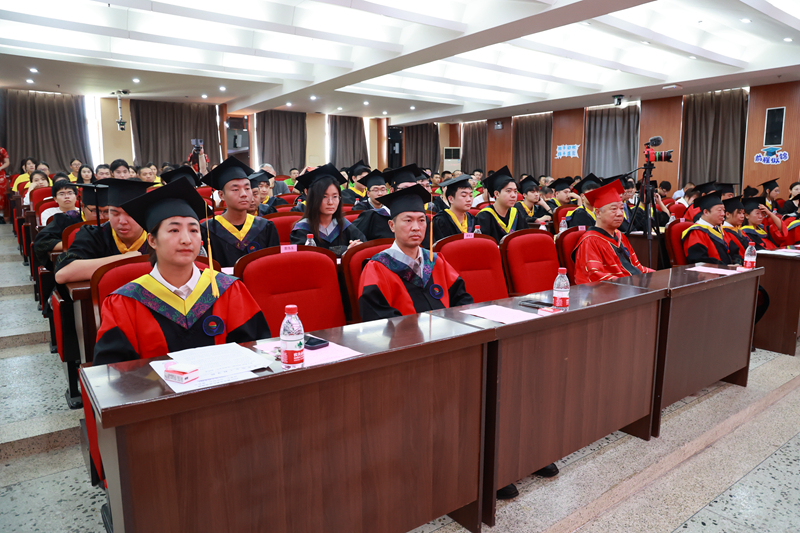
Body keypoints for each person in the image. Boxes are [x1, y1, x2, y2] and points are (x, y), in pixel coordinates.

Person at [93, 178, 270, 365]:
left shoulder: (228, 290)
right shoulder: (125, 303)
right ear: (152, 241)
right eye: (174, 230)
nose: (186, 239)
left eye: (193, 230)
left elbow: (256, 354)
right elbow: (114, 371)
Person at [358, 184, 473, 320]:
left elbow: (462, 300)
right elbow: (376, 317)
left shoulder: (436, 261)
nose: (416, 227)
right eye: (408, 220)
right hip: (404, 333)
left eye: (421, 220)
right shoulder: (377, 267)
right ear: (392, 225)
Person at [54, 179, 152, 284]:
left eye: (131, 214)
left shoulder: (157, 235)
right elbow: (62, 274)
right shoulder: (94, 234)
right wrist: (124, 258)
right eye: (114, 213)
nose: (122, 221)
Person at [200, 157, 280, 268]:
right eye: (235, 189)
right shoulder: (207, 230)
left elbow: (275, 267)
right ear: (221, 195)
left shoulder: (266, 227)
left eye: (247, 188)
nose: (244, 194)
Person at [572, 180, 653, 283]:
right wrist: (630, 284)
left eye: (621, 208)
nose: (620, 213)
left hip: (630, 286)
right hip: (611, 290)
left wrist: (657, 276)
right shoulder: (590, 241)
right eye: (614, 209)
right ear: (598, 213)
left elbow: (636, 267)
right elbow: (594, 275)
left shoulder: (620, 236)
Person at [289, 164, 365, 255]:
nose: (330, 202)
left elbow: (363, 245)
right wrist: (344, 250)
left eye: (335, 196)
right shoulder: (302, 229)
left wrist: (357, 247)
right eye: (324, 196)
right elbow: (305, 257)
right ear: (313, 197)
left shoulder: (344, 225)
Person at [34, 184, 108, 270]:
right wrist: (73, 243)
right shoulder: (67, 219)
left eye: (106, 211)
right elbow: (42, 242)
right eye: (95, 211)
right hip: (79, 267)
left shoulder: (113, 222)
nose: (101, 217)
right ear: (82, 207)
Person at [352, 167, 414, 241]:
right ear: (368, 193)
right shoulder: (365, 212)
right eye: (375, 190)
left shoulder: (391, 210)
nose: (380, 193)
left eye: (383, 189)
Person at [681, 192, 741, 265]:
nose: (723, 214)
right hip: (711, 271)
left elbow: (735, 252)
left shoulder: (720, 230)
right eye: (719, 210)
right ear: (706, 212)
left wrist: (737, 264)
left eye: (724, 210)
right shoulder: (697, 232)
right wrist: (726, 267)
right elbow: (700, 260)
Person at [474, 167, 527, 244]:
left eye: (515, 191)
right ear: (497, 194)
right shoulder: (484, 216)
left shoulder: (517, 214)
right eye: (508, 191)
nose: (513, 195)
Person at [431, 175, 475, 241]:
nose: (469, 199)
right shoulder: (440, 221)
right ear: (451, 199)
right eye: (464, 196)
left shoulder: (472, 220)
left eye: (471, 195)